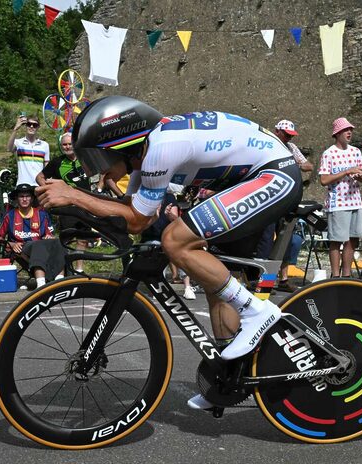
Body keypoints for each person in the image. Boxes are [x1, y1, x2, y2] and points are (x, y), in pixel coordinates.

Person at [36, 96, 303, 410]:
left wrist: (73, 196)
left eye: (102, 157)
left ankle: (258, 313)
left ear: (124, 144)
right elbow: (133, 214)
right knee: (212, 271)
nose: (103, 169)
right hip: (255, 177)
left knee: (174, 240)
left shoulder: (160, 148)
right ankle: (230, 374)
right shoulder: (149, 152)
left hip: (275, 175)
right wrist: (79, 198)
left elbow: (137, 219)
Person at [255, 119, 313, 292]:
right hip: (269, 199)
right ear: (277, 131)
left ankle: (283, 279)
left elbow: (309, 166)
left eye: (291, 136)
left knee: (285, 240)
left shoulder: (291, 148)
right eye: (286, 135)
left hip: (286, 199)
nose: (288, 138)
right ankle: (263, 281)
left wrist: (298, 164)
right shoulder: (267, 145)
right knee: (265, 242)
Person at [318, 117, 362, 278]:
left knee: (353, 239)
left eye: (350, 130)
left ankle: (346, 275)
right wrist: (346, 172)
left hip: (355, 201)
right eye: (346, 130)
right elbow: (324, 180)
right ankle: (335, 275)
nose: (349, 132)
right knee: (336, 240)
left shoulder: (356, 152)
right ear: (337, 133)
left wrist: (358, 176)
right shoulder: (329, 153)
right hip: (338, 203)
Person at [37, 132, 89, 272]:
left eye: (69, 144)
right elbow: (40, 177)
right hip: (67, 206)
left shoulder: (85, 158)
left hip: (86, 203)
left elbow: (104, 171)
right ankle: (62, 270)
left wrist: (100, 187)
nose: (67, 147)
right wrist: (49, 189)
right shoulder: (57, 162)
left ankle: (78, 269)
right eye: (64, 145)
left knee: (83, 239)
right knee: (66, 240)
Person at [0, 184, 65, 288]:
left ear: (32, 198)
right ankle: (41, 284)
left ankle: (60, 281)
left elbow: (48, 234)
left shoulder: (41, 214)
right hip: (22, 248)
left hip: (41, 245)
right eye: (21, 196)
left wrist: (49, 237)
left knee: (57, 242)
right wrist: (11, 244)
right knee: (38, 245)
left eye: (27, 196)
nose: (24, 199)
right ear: (16, 198)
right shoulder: (10, 216)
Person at [7, 114, 49, 188]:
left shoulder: (44, 145)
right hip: (23, 184)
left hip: (39, 185)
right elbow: (9, 149)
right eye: (29, 124)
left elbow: (47, 166)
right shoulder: (18, 143)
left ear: (38, 127)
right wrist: (15, 129)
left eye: (35, 125)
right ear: (26, 126)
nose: (31, 127)